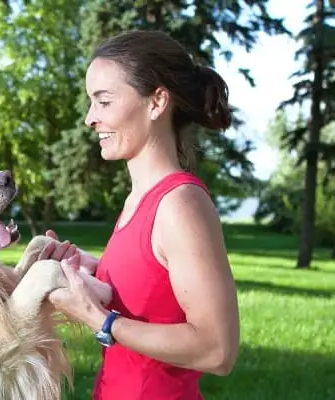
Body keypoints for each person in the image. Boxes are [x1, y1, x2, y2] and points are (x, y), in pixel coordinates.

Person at [39, 30, 241, 400]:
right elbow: (154, 296)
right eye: (91, 102)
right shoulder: (139, 200)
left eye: (104, 102)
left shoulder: (181, 204)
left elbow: (218, 350)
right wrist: (91, 273)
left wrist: (100, 320)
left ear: (157, 101)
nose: (89, 119)